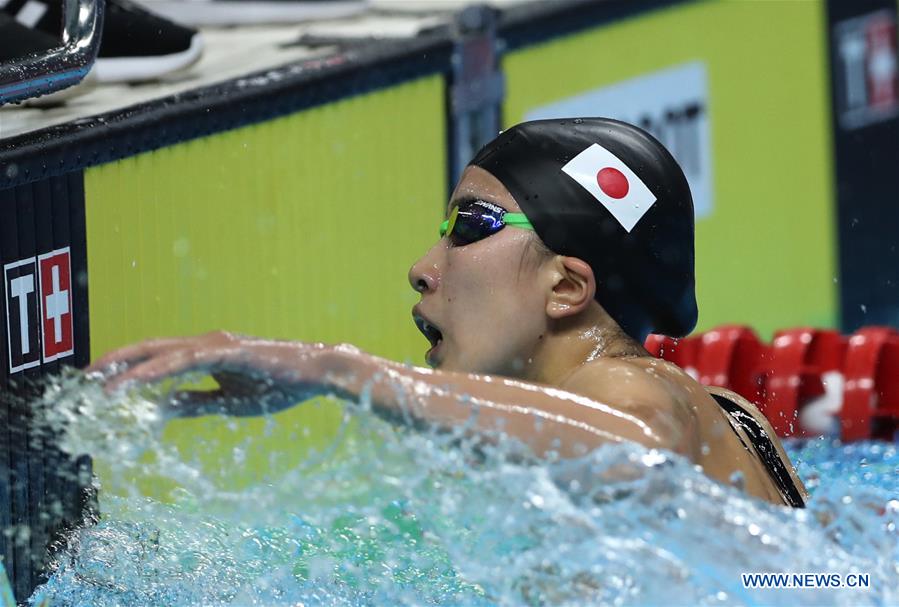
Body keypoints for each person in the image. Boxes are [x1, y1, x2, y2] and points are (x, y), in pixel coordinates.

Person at [89, 118, 807, 507]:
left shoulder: (621, 389)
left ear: (566, 287)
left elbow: (641, 453)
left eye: (469, 226)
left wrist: (339, 372)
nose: (422, 267)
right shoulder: (728, 415)